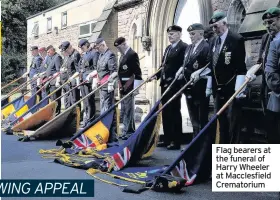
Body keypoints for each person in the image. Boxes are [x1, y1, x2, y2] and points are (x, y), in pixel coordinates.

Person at [208, 11, 247, 144]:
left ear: (224, 23)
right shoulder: (213, 41)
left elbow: (241, 68)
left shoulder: (236, 39)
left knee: (233, 124)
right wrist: (210, 85)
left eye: (216, 26)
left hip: (231, 89)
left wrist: (239, 91)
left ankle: (233, 152)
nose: (214, 29)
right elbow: (211, 64)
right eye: (212, 27)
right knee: (220, 123)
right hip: (217, 89)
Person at [149, 25, 187, 150]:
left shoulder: (184, 48)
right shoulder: (168, 48)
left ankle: (176, 140)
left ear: (179, 34)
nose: (170, 36)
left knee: (174, 111)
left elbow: (184, 66)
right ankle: (167, 138)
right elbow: (163, 66)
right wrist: (156, 75)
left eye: (173, 34)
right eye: (169, 34)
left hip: (175, 84)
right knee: (165, 111)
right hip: (165, 84)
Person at [176, 23, 210, 138]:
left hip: (200, 87)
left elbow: (209, 66)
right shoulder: (189, 47)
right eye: (190, 34)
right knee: (193, 118)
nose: (191, 36)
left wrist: (199, 73)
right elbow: (186, 64)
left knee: (201, 118)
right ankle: (194, 144)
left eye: (193, 34)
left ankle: (202, 145)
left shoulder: (206, 47)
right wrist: (181, 70)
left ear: (201, 33)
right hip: (189, 87)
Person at [114, 37, 142, 140]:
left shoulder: (132, 54)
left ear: (124, 44)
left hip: (130, 86)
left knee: (129, 110)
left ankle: (129, 131)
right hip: (122, 86)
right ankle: (126, 130)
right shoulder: (122, 56)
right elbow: (120, 73)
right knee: (124, 109)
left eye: (119, 47)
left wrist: (136, 88)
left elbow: (138, 72)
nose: (118, 49)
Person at [95, 38, 118, 146]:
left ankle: (111, 136)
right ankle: (106, 134)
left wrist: (110, 84)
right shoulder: (100, 55)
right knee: (104, 110)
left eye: (98, 47)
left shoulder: (110, 55)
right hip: (102, 87)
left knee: (108, 110)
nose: (97, 49)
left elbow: (113, 72)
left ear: (102, 45)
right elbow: (100, 71)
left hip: (108, 87)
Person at [263, 7, 280, 143]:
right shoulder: (267, 39)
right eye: (266, 23)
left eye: (271, 22)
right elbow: (264, 65)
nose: (268, 26)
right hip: (272, 96)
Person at [78, 39, 99, 127]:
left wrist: (91, 77)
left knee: (90, 101)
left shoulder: (94, 53)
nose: (82, 49)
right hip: (83, 80)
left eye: (82, 47)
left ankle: (91, 120)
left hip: (88, 80)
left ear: (87, 44)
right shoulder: (84, 54)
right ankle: (86, 119)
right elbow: (80, 66)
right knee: (85, 102)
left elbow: (95, 68)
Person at [59, 41, 81, 109]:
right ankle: (72, 115)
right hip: (70, 80)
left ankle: (77, 116)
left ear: (69, 48)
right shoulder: (69, 56)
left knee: (75, 100)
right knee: (71, 100)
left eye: (66, 50)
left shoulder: (76, 54)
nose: (65, 52)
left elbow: (78, 70)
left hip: (75, 80)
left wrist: (74, 78)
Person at [44, 45, 63, 114]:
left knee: (55, 98)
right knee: (51, 98)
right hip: (50, 81)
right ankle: (53, 111)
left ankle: (56, 112)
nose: (48, 53)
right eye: (47, 52)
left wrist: (57, 80)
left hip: (55, 81)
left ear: (53, 50)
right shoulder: (50, 57)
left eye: (49, 52)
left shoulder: (57, 57)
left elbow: (58, 70)